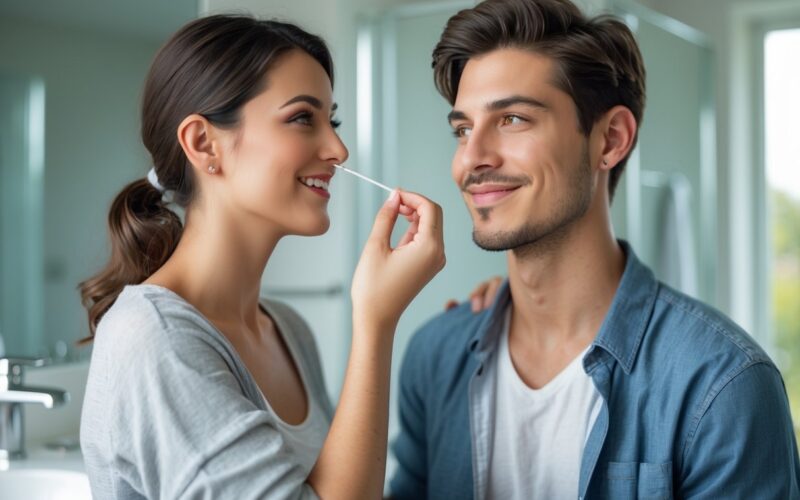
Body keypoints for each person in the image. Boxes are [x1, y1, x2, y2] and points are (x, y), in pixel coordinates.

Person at [389, 0, 800, 498]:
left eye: (513, 119)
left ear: (610, 139)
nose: (470, 159)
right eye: (462, 129)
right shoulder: (433, 357)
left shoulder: (723, 385)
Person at [78, 15, 445, 499]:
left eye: (332, 121)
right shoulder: (155, 340)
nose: (338, 149)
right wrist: (375, 321)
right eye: (302, 118)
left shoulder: (287, 330)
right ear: (203, 143)